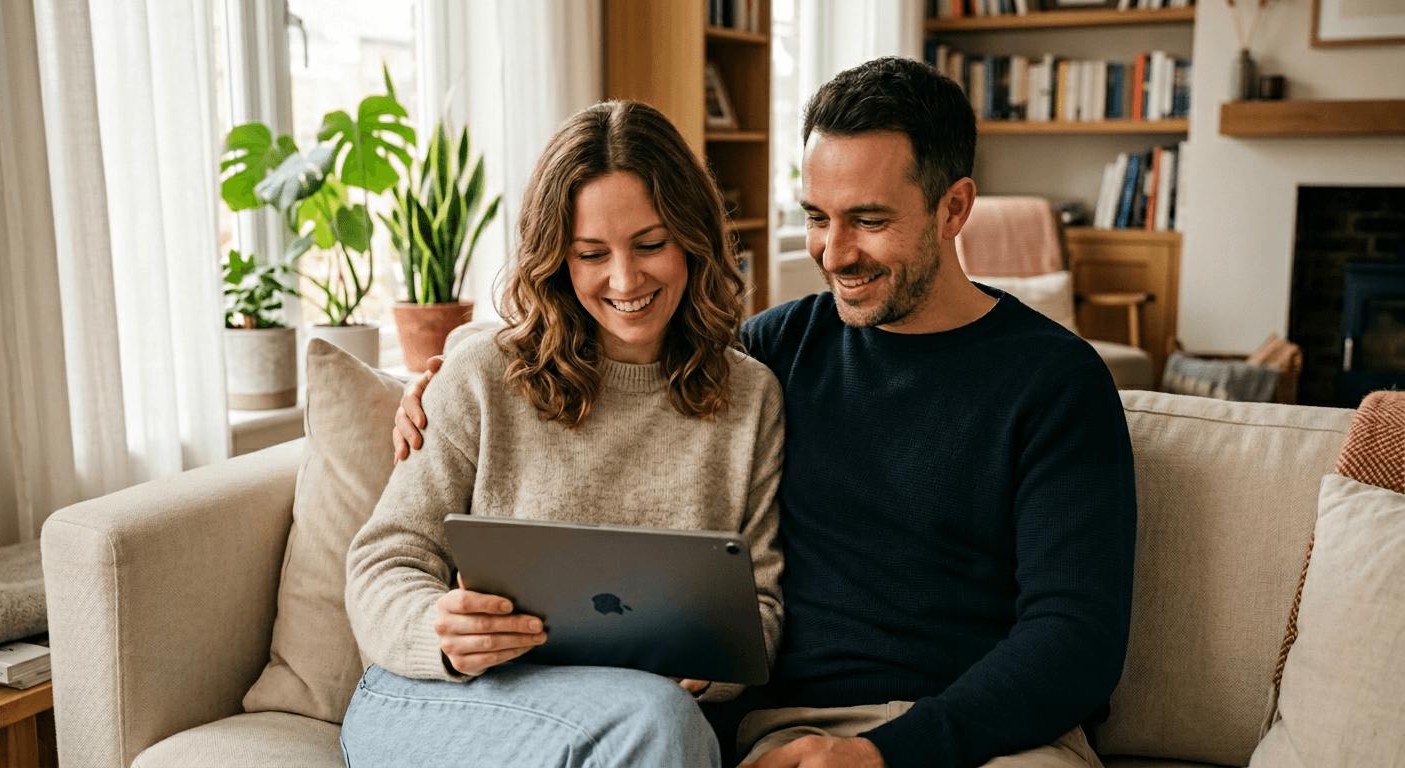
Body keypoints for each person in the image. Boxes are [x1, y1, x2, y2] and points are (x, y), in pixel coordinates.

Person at [397, 57, 1136, 768]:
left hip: (992, 737)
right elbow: (633, 347)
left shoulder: (1056, 382)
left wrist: (890, 753)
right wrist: (441, 371)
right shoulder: (777, 351)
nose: (834, 252)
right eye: (817, 217)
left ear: (954, 208)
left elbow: (1076, 641)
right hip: (798, 734)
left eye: (868, 220)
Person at [341, 100, 786, 768]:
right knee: (662, 726)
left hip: (636, 714)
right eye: (591, 254)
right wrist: (438, 629)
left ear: (693, 238)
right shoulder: (483, 374)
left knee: (664, 720)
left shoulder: (750, 397)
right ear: (558, 259)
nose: (625, 279)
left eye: (651, 243)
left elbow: (762, 607)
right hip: (443, 700)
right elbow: (385, 558)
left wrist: (708, 667)